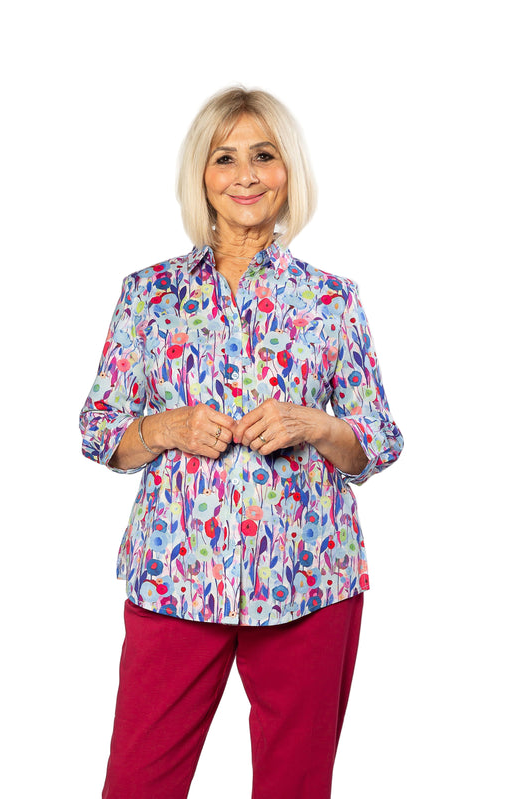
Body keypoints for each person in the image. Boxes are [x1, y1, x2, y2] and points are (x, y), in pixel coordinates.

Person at [80, 86, 404, 799]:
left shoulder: (330, 299)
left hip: (309, 575)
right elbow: (99, 429)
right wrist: (166, 427)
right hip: (176, 574)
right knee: (138, 782)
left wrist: (314, 424)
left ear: (288, 170)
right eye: (224, 158)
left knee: (294, 786)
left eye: (263, 155)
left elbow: (378, 440)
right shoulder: (148, 294)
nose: (246, 174)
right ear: (201, 175)